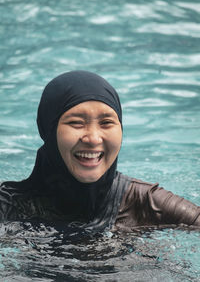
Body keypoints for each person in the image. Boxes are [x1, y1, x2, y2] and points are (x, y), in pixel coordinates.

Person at [0, 70, 199, 231]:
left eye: (106, 123)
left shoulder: (145, 203)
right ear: (48, 130)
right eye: (76, 123)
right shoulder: (8, 207)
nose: (93, 138)